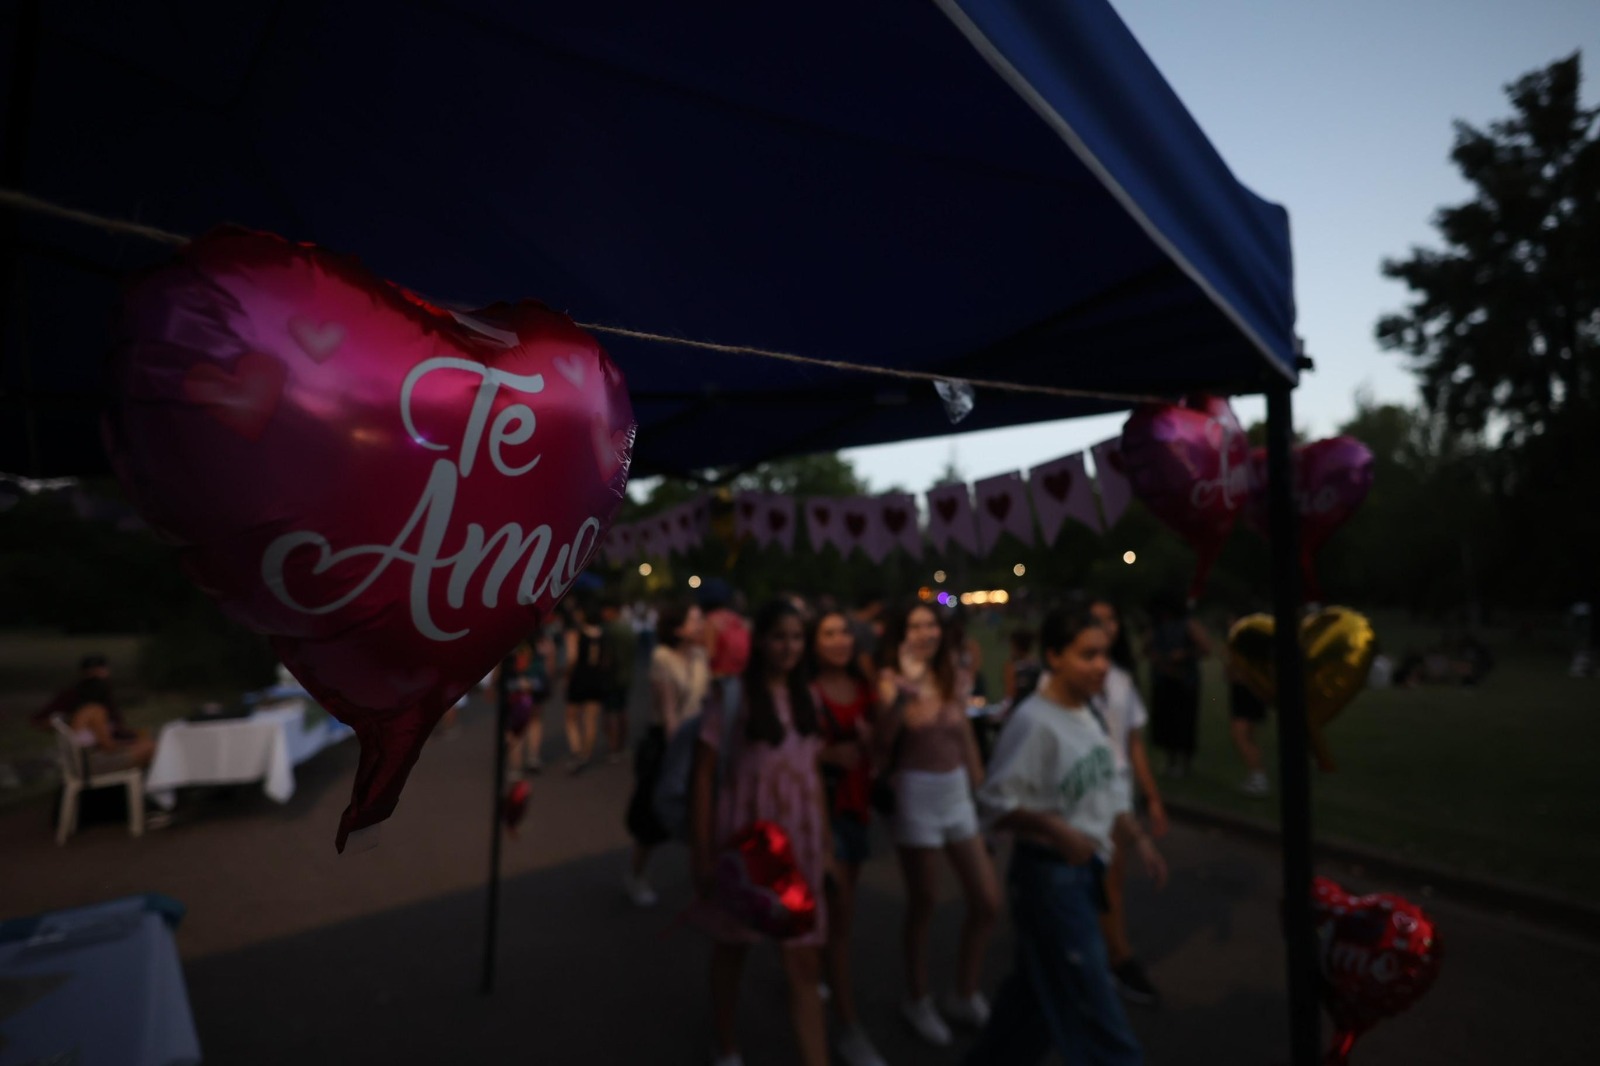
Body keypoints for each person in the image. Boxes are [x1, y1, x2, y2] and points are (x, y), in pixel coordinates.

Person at [964, 604, 1168, 1066]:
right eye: (1088, 655)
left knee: (1029, 1012)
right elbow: (995, 802)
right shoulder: (1033, 721)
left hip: (1083, 874)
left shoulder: (1088, 712)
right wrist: (1053, 827)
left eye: (1105, 654)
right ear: (1053, 656)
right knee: (1099, 1018)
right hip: (1049, 881)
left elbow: (1107, 785)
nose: (1101, 666)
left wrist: (1138, 839)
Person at [690, 600, 832, 1066]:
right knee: (734, 945)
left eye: (796, 637)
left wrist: (825, 846)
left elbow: (812, 772)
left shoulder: (809, 696)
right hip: (748, 841)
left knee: (803, 959)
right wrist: (703, 852)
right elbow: (704, 776)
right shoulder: (733, 698)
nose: (788, 647)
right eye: (778, 637)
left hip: (801, 841)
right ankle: (725, 1040)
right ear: (760, 641)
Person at [875, 601, 1001, 1047]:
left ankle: (964, 993)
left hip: (956, 793)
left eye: (931, 624)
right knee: (924, 900)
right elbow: (882, 740)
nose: (925, 632)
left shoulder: (953, 673)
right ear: (902, 633)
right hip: (916, 791)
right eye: (915, 625)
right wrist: (899, 701)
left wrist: (982, 791)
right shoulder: (892, 679)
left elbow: (965, 733)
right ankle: (917, 997)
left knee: (987, 900)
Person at [807, 610, 890, 1066]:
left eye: (844, 633)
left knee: (840, 913)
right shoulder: (807, 693)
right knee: (839, 920)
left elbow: (879, 747)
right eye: (829, 633)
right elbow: (788, 750)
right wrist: (826, 753)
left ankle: (813, 976)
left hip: (856, 807)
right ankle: (848, 1025)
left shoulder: (863, 687)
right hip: (824, 812)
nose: (839, 640)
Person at [1087, 595, 1168, 1006]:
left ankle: (1111, 958)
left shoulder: (1121, 677)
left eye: (1112, 617)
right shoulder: (1074, 676)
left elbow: (1133, 743)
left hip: (1118, 789)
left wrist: (1151, 796)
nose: (1107, 625)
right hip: (1085, 790)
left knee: (1111, 881)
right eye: (1097, 619)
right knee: (1098, 879)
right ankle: (1118, 959)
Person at [624, 598, 709, 908]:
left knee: (701, 813)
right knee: (651, 816)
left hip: (700, 740)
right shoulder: (662, 657)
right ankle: (636, 875)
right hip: (667, 742)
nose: (702, 626)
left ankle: (704, 878)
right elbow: (669, 711)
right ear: (678, 628)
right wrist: (676, 756)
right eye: (695, 621)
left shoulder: (702, 655)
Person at [1144, 595, 1211, 777]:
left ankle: (1185, 763)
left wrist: (1185, 654)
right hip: (1163, 679)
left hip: (1184, 681)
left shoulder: (1188, 624)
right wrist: (1156, 655)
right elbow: (1146, 648)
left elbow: (1205, 648)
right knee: (1166, 722)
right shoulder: (1156, 625)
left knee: (1184, 722)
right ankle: (1170, 760)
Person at [564, 598, 613, 773]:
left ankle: (577, 750)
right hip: (597, 679)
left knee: (571, 717)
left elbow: (572, 658)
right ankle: (586, 755)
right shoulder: (604, 635)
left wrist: (567, 675)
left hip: (579, 677)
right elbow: (607, 660)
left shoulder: (576, 634)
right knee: (591, 720)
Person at [1224, 612, 1270, 797]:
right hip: (1246, 694)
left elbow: (1235, 674)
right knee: (1248, 737)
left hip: (1247, 694)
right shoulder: (1243, 648)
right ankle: (1255, 775)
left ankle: (1259, 778)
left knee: (1240, 736)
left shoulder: (1246, 649)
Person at [501, 632, 555, 776]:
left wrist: (494, 685)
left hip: (515, 688)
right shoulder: (543, 641)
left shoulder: (510, 639)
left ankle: (515, 767)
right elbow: (549, 666)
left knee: (514, 729)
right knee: (535, 722)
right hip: (536, 686)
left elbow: (501, 666)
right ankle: (533, 757)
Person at [703, 581, 752, 716]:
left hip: (717, 681)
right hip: (738, 679)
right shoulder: (738, 620)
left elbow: (709, 654)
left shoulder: (711, 621)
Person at [600, 595, 639, 764]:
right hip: (626, 675)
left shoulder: (610, 630)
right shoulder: (628, 628)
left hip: (612, 677)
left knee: (611, 713)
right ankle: (621, 746)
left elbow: (607, 657)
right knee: (622, 711)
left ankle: (613, 747)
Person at [1002, 629, 1042, 707]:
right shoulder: (1039, 665)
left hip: (1018, 709)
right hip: (1036, 707)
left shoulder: (1012, 667)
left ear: (1016, 646)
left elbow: (1009, 696)